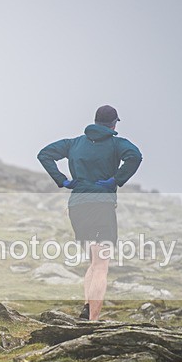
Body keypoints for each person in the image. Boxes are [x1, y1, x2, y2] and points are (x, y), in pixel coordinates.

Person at [37, 105, 142, 320]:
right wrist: (116, 180)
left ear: (95, 121)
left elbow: (44, 154)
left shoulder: (74, 143)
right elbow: (135, 156)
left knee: (93, 261)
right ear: (114, 124)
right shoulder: (116, 144)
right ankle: (92, 320)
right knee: (102, 264)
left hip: (77, 206)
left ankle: (87, 309)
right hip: (102, 205)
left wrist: (63, 180)